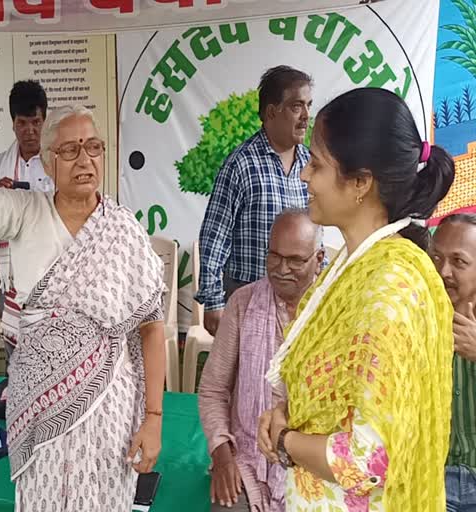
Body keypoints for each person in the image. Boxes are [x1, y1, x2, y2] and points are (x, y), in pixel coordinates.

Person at [0, 47, 167, 511]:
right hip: (37, 404)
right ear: (47, 163)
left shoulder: (122, 229)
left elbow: (152, 324)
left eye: (93, 147)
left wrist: (154, 419)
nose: (84, 159)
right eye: (68, 149)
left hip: (109, 408)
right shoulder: (26, 212)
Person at [257, 88, 455, 511]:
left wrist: (286, 440)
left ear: (361, 182)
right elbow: (336, 398)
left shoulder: (389, 289)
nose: (304, 176)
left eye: (318, 165)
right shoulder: (352, 266)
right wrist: (287, 412)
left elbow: (368, 459)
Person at [199, 209, 324, 512]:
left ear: (318, 259)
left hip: (313, 466)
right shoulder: (243, 302)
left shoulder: (332, 312)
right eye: (274, 256)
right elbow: (213, 390)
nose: (281, 269)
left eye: (295, 260)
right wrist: (222, 455)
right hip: (247, 461)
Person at [196, 66, 313, 336]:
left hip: (299, 301)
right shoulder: (241, 164)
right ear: (272, 112)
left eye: (308, 105)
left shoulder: (310, 163)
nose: (306, 116)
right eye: (297, 106)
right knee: (250, 376)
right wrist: (213, 302)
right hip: (248, 295)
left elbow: (315, 233)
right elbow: (215, 236)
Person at [0, 80, 52, 352]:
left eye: (36, 122)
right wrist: (0, 200)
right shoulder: (0, 164)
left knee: (51, 346)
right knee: (15, 348)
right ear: (12, 123)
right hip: (11, 272)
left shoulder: (57, 160)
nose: (30, 131)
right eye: (22, 123)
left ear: (45, 120)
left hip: (50, 271)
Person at [430, 214, 476, 512]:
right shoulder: (414, 317)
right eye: (436, 258)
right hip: (432, 482)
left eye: (458, 262)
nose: (443, 271)